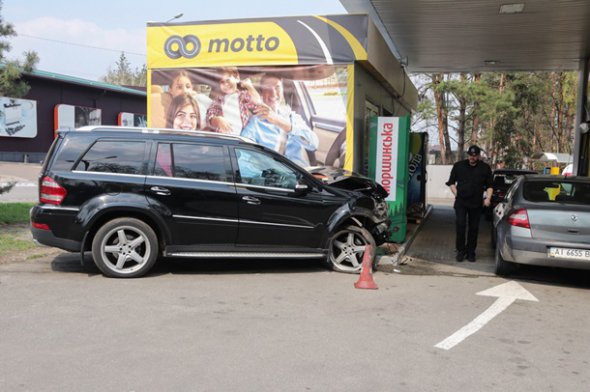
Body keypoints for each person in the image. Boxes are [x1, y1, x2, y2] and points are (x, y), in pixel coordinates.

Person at [240, 74, 318, 167]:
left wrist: (279, 121)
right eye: (268, 88)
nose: (273, 93)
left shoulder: (292, 117)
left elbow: (313, 145)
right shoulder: (255, 122)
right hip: (274, 176)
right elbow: (242, 153)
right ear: (261, 93)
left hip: (301, 174)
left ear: (282, 90)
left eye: (277, 87)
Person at [446, 145, 493, 262]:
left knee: (474, 228)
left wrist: (488, 198)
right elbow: (451, 182)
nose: (472, 158)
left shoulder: (485, 168)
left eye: (475, 156)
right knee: (460, 225)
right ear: (468, 155)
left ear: (478, 156)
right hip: (461, 202)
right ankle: (460, 251)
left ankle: (471, 252)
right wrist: (456, 193)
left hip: (476, 203)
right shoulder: (458, 166)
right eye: (470, 155)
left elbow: (490, 186)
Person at [206, 67, 261, 135]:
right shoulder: (218, 100)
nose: (226, 84)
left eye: (228, 80)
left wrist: (249, 86)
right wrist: (216, 120)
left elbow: (257, 103)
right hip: (223, 138)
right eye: (222, 82)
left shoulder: (242, 96)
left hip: (241, 138)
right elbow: (209, 115)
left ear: (237, 78)